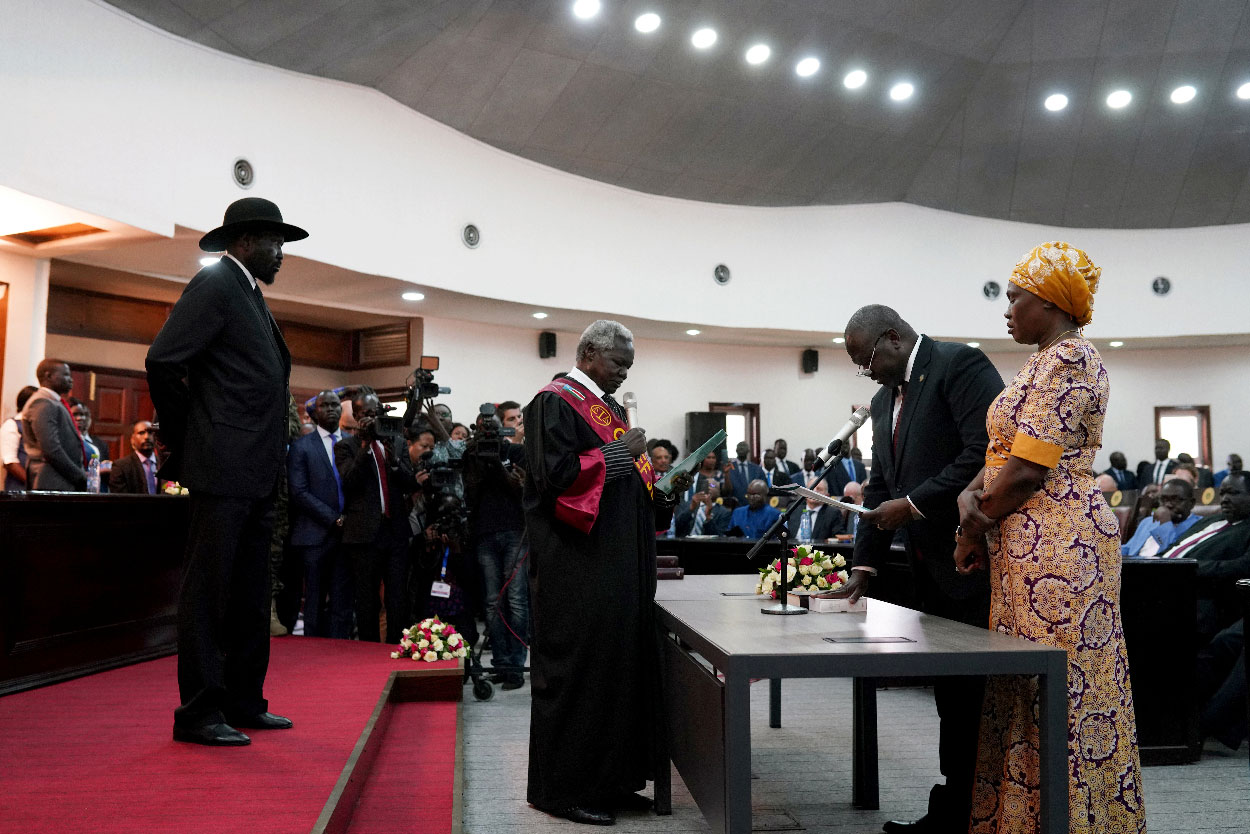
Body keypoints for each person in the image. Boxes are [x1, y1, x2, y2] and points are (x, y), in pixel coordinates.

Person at [954, 241, 1146, 834]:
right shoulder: (1040, 364)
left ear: (1053, 303)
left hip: (1060, 546)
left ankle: (1074, 821)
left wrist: (972, 522)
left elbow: (1031, 466)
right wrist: (971, 495)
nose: (1006, 309)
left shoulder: (1070, 363)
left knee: (1060, 681)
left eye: (1016, 298)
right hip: (1023, 540)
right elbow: (1003, 458)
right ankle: (1023, 816)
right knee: (1024, 681)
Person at [821, 303, 1003, 834]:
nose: (867, 371)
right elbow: (881, 486)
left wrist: (916, 504)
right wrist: (864, 567)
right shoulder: (884, 400)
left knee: (973, 695)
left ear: (894, 338)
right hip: (928, 568)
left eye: (867, 359)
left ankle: (975, 812)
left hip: (971, 557)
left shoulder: (959, 365)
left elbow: (984, 452)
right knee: (951, 696)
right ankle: (955, 808)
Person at [146, 197, 304, 747]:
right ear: (243, 242)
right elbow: (163, 360)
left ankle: (241, 700)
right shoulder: (216, 284)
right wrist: (191, 439)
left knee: (248, 593)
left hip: (257, 470)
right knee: (209, 593)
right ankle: (197, 713)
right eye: (274, 242)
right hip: (224, 465)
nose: (281, 254)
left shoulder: (250, 294)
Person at [523, 320, 684, 826]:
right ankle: (563, 789)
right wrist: (621, 453)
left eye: (628, 366)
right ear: (590, 353)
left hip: (619, 571)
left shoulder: (609, 409)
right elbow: (558, 480)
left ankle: (610, 781)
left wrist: (659, 492)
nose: (623, 374)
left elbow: (623, 485)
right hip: (578, 572)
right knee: (581, 676)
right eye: (619, 364)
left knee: (618, 673)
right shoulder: (554, 402)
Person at [335, 390, 418, 644]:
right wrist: (364, 445)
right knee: (367, 598)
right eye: (365, 415)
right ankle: (368, 649)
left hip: (395, 532)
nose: (371, 419)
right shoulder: (345, 446)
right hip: (363, 534)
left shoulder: (398, 442)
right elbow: (349, 481)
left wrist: (393, 459)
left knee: (397, 596)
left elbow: (409, 483)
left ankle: (395, 645)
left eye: (375, 413)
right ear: (356, 417)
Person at [462, 403, 529, 690]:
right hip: (484, 533)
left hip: (516, 531)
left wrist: (499, 465)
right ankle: (499, 662)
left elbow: (521, 490)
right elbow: (470, 492)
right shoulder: (472, 455)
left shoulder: (518, 453)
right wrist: (480, 458)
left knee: (515, 599)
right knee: (492, 602)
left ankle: (515, 665)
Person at [1156, 472, 1250, 644]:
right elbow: (1172, 549)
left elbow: (1241, 567)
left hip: (1198, 594)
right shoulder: (1210, 520)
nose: (1225, 499)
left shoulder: (1246, 528)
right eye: (1222, 493)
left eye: (1233, 493)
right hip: (1161, 578)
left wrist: (1184, 568)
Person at [287, 390, 352, 639]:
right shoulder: (302, 446)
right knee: (314, 598)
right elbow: (299, 492)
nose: (332, 409)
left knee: (342, 599)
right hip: (314, 534)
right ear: (315, 413)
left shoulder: (350, 442)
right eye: (326, 405)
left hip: (347, 533)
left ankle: (341, 649)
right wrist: (333, 518)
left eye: (336, 405)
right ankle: (313, 650)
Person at [22, 359, 87, 492]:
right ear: (49, 376)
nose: (71, 380)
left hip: (59, 480)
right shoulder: (42, 402)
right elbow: (51, 449)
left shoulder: (52, 401)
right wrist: (80, 477)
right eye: (66, 375)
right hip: (51, 481)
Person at [1121, 478, 1201, 557]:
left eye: (1175, 500)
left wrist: (1165, 523)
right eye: (1164, 499)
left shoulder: (1199, 527)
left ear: (1191, 503)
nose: (1168, 505)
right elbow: (1128, 549)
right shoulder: (1148, 522)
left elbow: (1170, 556)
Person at [109, 420, 162, 494]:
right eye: (141, 433)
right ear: (132, 439)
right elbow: (120, 499)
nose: (146, 437)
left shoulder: (165, 464)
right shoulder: (121, 466)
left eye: (150, 432)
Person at [2, 385, 38, 491]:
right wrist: (34, 485)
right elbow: (10, 462)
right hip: (19, 488)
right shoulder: (12, 424)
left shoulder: (40, 425)